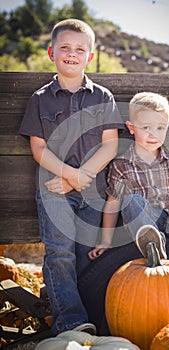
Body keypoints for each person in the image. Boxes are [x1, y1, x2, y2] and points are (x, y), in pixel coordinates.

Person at [18, 18, 124, 336]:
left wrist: (82, 177)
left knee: (85, 254)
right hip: (53, 187)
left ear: (89, 57)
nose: (71, 53)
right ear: (52, 52)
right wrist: (68, 176)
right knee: (60, 250)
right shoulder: (40, 99)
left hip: (92, 188)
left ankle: (88, 316)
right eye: (64, 47)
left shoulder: (102, 96)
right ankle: (70, 323)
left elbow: (111, 146)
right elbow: (39, 149)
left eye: (80, 49)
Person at [89, 91, 169, 327]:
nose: (153, 134)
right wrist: (105, 241)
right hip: (146, 218)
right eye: (146, 127)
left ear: (167, 128)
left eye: (160, 128)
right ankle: (153, 244)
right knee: (132, 201)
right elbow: (113, 204)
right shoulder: (122, 165)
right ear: (131, 127)